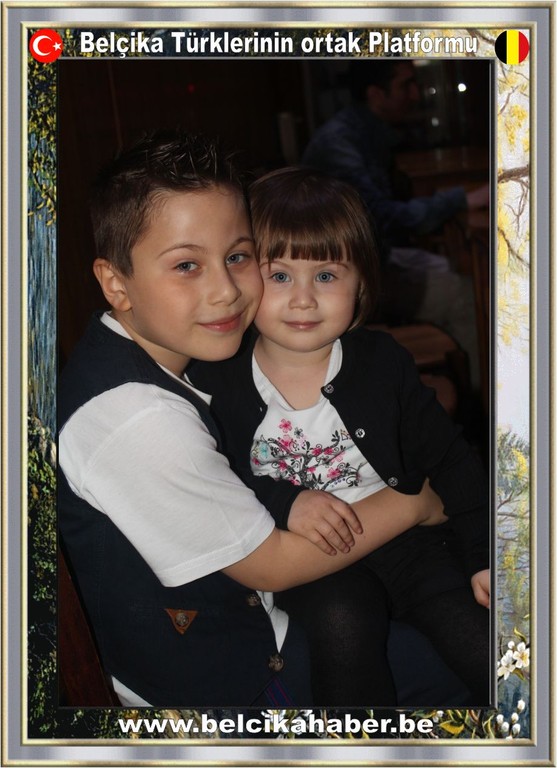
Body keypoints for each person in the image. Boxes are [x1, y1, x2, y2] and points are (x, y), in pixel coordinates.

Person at [57, 130, 447, 709]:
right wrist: (416, 502)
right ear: (116, 284)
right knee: (460, 674)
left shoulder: (148, 353)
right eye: (186, 265)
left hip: (242, 627)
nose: (226, 291)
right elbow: (275, 567)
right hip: (224, 686)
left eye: (238, 257)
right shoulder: (139, 419)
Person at [189, 167, 491, 706]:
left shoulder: (383, 363)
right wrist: (285, 501)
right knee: (342, 622)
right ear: (244, 279)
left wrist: (485, 555)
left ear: (361, 284)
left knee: (480, 638)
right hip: (310, 558)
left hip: (410, 546)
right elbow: (215, 475)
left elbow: (452, 460)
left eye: (326, 276)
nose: (304, 299)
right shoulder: (219, 377)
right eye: (280, 276)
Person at [301, 59, 489, 389]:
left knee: (451, 268)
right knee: (465, 295)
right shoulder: (342, 142)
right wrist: (460, 199)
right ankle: (481, 400)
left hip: (370, 259)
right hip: (345, 279)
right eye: (406, 85)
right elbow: (384, 218)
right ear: (376, 94)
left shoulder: (364, 131)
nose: (415, 94)